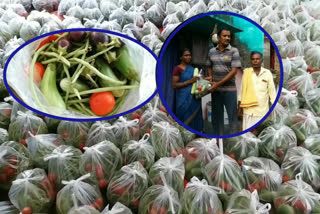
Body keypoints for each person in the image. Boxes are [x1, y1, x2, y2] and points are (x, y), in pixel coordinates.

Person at [206, 27, 242, 135]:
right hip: (216, 91)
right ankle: (218, 138)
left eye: (229, 36)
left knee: (232, 117)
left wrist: (217, 84)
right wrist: (211, 77)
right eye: (224, 36)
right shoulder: (212, 51)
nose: (227, 38)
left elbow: (234, 71)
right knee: (217, 117)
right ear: (218, 37)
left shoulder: (234, 51)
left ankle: (233, 140)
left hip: (229, 90)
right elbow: (209, 65)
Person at [238, 51, 277, 130]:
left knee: (260, 137)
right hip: (248, 112)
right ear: (251, 61)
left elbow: (272, 93)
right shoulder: (246, 73)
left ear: (261, 60)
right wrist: (239, 109)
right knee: (248, 137)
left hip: (262, 113)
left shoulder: (267, 73)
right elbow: (241, 91)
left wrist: (274, 110)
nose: (255, 61)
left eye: (257, 59)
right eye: (253, 59)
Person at [172, 48, 203, 132]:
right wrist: (190, 81)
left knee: (196, 119)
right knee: (184, 119)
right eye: (186, 55)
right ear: (181, 57)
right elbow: (174, 85)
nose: (189, 57)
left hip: (194, 98)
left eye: (189, 55)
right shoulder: (177, 69)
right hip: (183, 98)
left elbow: (197, 81)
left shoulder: (193, 69)